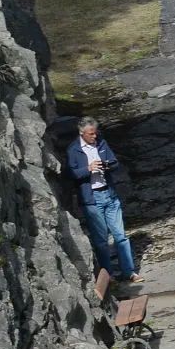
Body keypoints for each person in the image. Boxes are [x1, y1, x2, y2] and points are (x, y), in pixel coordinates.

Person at [66, 117, 143, 284]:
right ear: (82, 133)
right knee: (101, 241)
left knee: (120, 236)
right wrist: (88, 169)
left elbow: (115, 163)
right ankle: (108, 275)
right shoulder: (73, 150)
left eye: (95, 133)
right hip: (92, 199)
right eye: (91, 134)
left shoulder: (102, 143)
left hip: (109, 194)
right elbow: (70, 174)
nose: (94, 136)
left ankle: (129, 272)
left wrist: (106, 165)